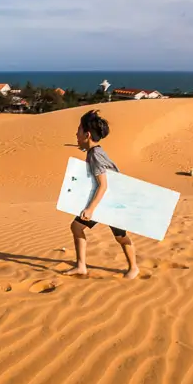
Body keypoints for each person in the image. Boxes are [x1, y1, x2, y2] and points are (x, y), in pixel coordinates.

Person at [64, 110, 139, 280]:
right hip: (103, 201)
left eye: (79, 131)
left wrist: (90, 209)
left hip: (111, 202)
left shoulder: (95, 155)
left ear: (87, 134)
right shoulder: (94, 152)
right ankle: (81, 266)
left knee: (121, 237)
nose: (76, 134)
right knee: (77, 227)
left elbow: (103, 185)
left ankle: (134, 267)